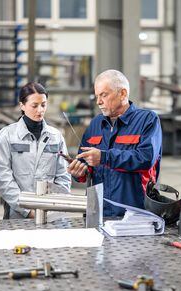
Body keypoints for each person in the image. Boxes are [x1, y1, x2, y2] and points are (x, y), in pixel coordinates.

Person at [67, 69, 162, 216]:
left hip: (134, 214)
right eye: (97, 96)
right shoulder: (95, 125)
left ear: (122, 94)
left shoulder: (147, 120)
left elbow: (145, 158)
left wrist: (104, 157)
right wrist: (79, 172)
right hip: (98, 212)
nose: (98, 102)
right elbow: (85, 162)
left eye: (104, 95)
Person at [0, 82, 71, 219]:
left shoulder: (56, 137)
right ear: (22, 105)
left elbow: (63, 176)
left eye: (43, 105)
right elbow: (4, 179)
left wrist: (54, 206)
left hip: (51, 213)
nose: (40, 110)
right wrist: (28, 211)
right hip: (18, 214)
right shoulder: (6, 136)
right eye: (34, 106)